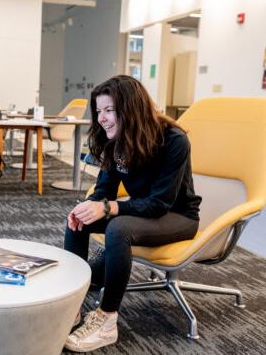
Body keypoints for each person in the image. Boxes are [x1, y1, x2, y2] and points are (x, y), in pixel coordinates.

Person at [63, 75, 202, 352]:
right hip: (144, 211)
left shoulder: (174, 141)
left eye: (109, 110)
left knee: (119, 228)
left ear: (131, 108)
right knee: (78, 222)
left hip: (178, 217)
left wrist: (108, 208)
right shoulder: (115, 140)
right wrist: (89, 207)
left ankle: (106, 320)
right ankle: (73, 306)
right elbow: (105, 190)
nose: (101, 119)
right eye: (99, 111)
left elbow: (159, 204)